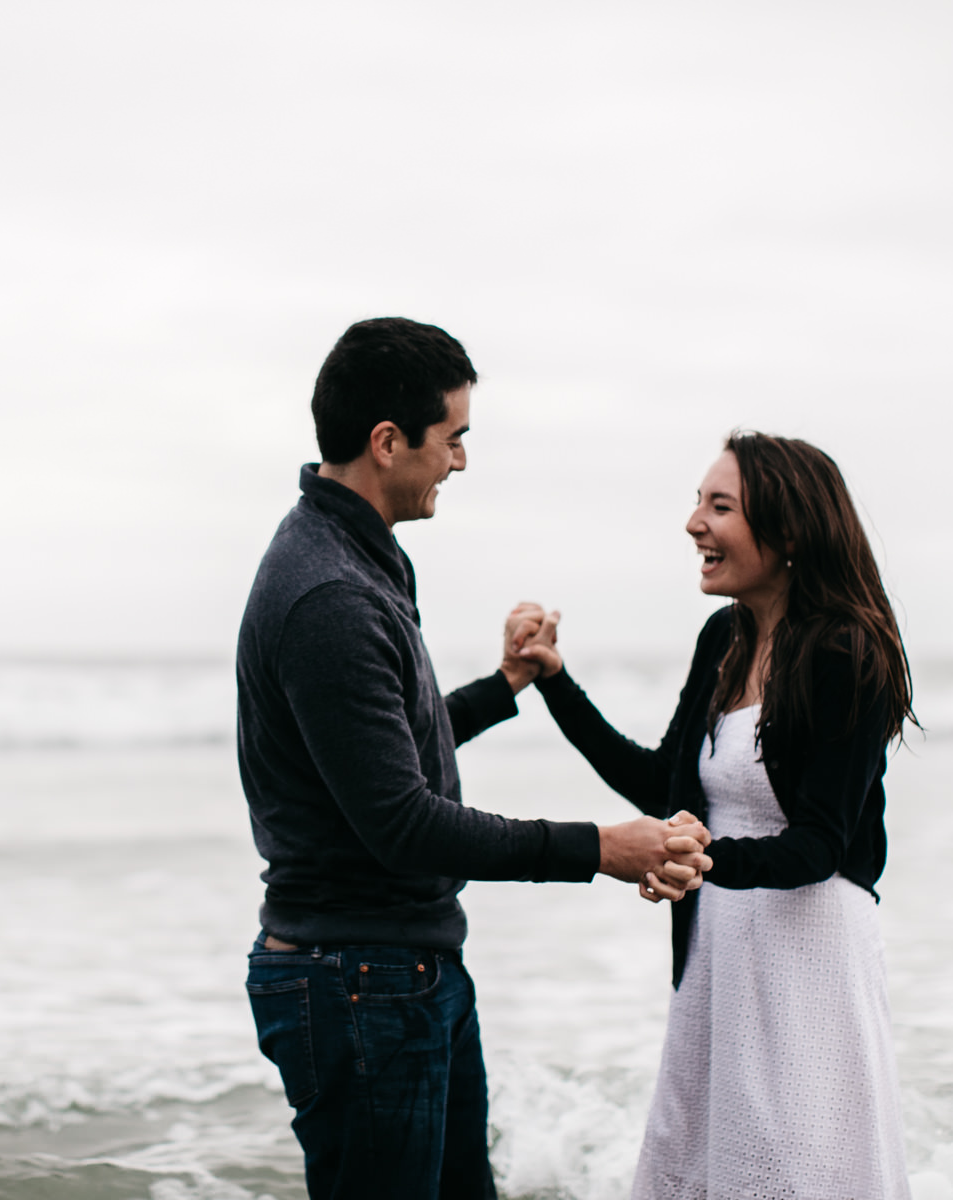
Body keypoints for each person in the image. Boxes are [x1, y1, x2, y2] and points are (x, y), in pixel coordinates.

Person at [235, 317, 713, 1200]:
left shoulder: (359, 561)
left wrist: (507, 685)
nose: (459, 461)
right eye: (452, 439)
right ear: (388, 442)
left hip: (398, 972)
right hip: (358, 981)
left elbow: (386, 754)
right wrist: (600, 849)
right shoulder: (332, 593)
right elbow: (403, 824)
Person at [509, 431, 916, 1198]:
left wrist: (700, 861)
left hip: (807, 956)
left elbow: (820, 845)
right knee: (696, 1167)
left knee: (795, 1172)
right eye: (698, 502)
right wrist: (553, 683)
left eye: (719, 505)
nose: (694, 523)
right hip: (717, 957)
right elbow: (666, 785)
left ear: (790, 529)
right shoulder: (724, 637)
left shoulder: (845, 651)